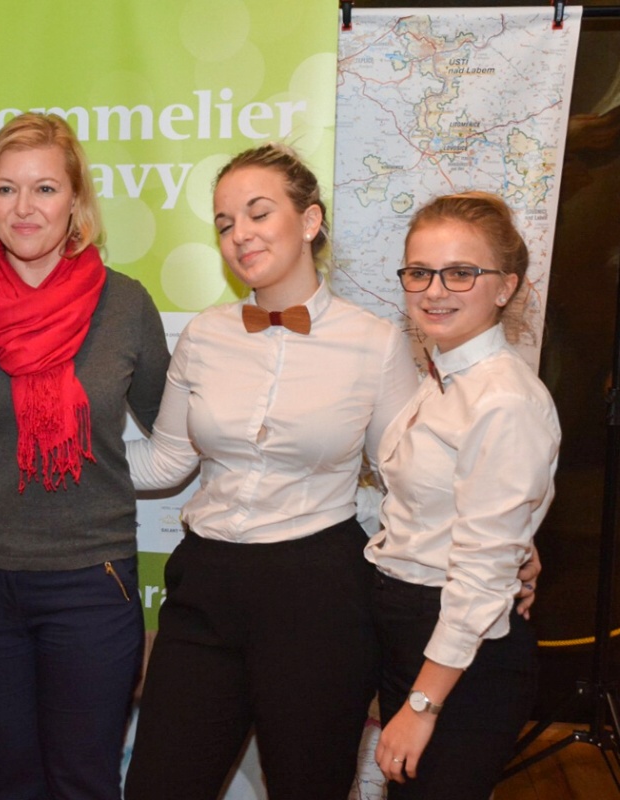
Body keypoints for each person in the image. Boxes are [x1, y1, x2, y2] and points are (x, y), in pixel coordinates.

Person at [122, 143, 420, 800]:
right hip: (205, 586)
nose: (240, 235)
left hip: (318, 594)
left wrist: (498, 545)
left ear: (310, 220)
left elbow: (410, 481)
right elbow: (167, 460)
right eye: (225, 223)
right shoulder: (204, 335)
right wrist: (56, 457)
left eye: (258, 213)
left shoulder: (375, 343)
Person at [0, 112, 171, 800]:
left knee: (83, 783)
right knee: (7, 784)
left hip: (90, 583)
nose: (24, 208)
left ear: (75, 201)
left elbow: (176, 433)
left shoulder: (125, 305)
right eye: (6, 189)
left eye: (44, 189)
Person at [369, 192, 560, 799]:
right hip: (417, 632)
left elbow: (479, 573)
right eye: (420, 272)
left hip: (464, 658)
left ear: (505, 287)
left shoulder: (503, 399)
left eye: (460, 273)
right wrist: (519, 548)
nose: (434, 290)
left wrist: (422, 705)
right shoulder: (445, 376)